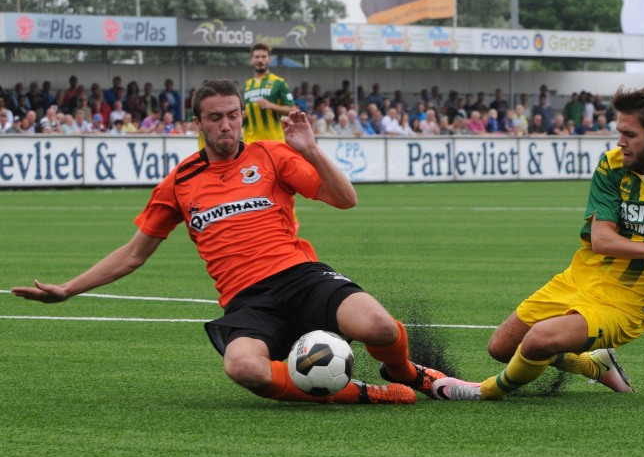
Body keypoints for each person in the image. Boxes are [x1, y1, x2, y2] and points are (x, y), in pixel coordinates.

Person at [11, 79, 446, 406]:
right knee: (243, 368)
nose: (226, 125)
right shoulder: (179, 181)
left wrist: (312, 150)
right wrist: (67, 290)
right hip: (247, 300)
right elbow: (132, 254)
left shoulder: (272, 155)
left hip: (301, 276)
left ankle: (406, 372)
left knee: (381, 327)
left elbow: (345, 199)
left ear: (241, 115)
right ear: (197, 123)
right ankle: (363, 393)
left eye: (233, 115)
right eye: (215, 117)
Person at [431, 86, 644, 401]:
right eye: (619, 132)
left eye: (629, 134)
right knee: (501, 348)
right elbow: (601, 240)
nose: (620, 142)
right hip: (581, 278)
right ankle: (594, 366)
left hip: (630, 302)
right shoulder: (612, 165)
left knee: (538, 340)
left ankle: (483, 391)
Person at [241, 43, 295, 143]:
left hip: (273, 142)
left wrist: (270, 105)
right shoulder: (246, 85)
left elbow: (292, 109)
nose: (260, 60)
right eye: (257, 57)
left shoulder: (279, 82)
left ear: (269, 60)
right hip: (250, 143)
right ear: (252, 60)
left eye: (263, 57)